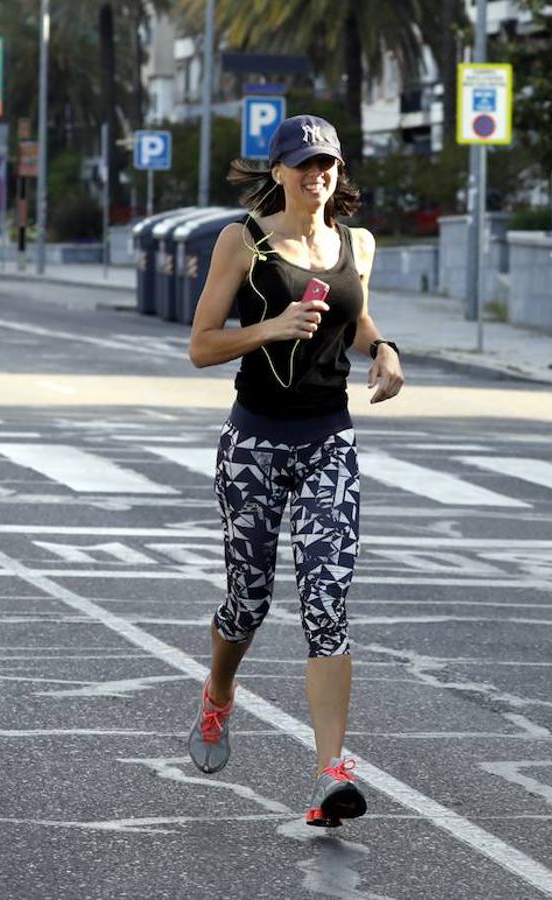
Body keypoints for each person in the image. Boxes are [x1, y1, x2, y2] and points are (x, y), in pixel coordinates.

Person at [183, 115, 404, 829]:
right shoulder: (241, 242)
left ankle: (330, 774)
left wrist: (384, 348)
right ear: (278, 172)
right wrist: (271, 327)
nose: (318, 175)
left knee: (326, 603)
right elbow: (201, 345)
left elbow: (355, 312)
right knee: (248, 602)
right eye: (305, 164)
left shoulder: (356, 244)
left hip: (328, 442)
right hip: (254, 443)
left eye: (328, 164)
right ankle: (219, 691)